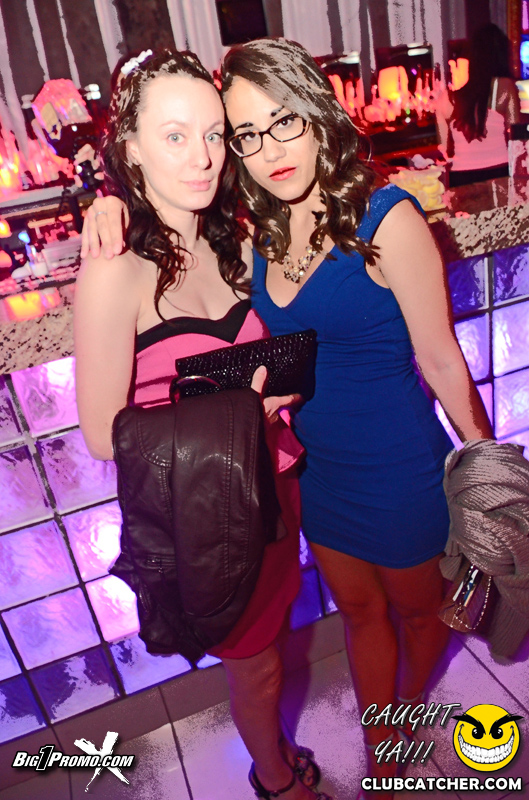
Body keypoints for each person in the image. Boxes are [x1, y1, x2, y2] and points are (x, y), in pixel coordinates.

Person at [82, 39, 494, 799]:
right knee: (358, 616)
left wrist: (488, 471)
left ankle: (401, 722)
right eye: (244, 134)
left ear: (315, 112)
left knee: (421, 614)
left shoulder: (369, 222)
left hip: (389, 468)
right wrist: (108, 200)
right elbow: (114, 414)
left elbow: (440, 359)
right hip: (306, 478)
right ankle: (379, 749)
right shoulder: (250, 235)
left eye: (281, 123)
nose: (264, 149)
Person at [74, 49, 332, 800]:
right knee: (257, 665)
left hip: (278, 486)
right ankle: (276, 780)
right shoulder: (115, 270)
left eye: (215, 134)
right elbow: (101, 435)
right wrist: (238, 414)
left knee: (273, 643)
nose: (204, 157)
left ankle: (273, 755)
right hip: (212, 512)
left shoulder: (234, 240)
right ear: (131, 148)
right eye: (175, 136)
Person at [436, 23, 521, 187]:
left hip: (461, 178)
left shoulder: (446, 98)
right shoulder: (504, 86)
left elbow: (444, 151)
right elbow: (515, 137)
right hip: (500, 173)